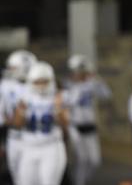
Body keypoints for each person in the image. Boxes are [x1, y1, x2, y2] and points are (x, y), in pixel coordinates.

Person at [13, 61, 69, 185]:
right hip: (29, 146)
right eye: (37, 82)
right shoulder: (24, 96)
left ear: (51, 80)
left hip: (51, 146)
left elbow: (66, 123)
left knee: (49, 182)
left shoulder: (58, 96)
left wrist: (58, 108)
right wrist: (21, 111)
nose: (41, 85)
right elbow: (17, 124)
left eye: (44, 81)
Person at [63, 54, 112, 185]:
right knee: (82, 159)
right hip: (75, 126)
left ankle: (83, 180)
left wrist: (96, 79)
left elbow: (106, 95)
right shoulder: (67, 85)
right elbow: (69, 102)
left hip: (90, 125)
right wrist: (81, 86)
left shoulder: (91, 83)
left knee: (95, 161)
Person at [0, 49, 37, 184]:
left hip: (34, 137)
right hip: (13, 137)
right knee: (17, 178)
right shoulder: (5, 85)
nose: (10, 70)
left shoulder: (39, 84)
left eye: (13, 67)